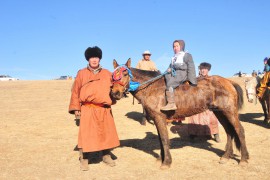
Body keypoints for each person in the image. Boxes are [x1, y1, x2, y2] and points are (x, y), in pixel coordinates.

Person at [69, 46, 120, 171]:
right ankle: (84, 158)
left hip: (104, 109)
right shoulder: (81, 73)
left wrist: (117, 94)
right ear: (88, 59)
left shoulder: (108, 73)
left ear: (99, 58)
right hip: (88, 108)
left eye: (96, 57)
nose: (94, 60)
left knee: (106, 133)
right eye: (92, 57)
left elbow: (116, 88)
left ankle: (106, 156)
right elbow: (75, 91)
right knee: (87, 135)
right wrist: (76, 108)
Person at [187, 62, 220, 142]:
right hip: (198, 102)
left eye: (205, 69)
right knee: (194, 117)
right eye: (202, 69)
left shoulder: (212, 79)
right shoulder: (196, 79)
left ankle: (216, 134)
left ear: (208, 70)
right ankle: (193, 134)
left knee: (212, 117)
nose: (203, 70)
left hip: (209, 102)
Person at [160, 39, 197, 111]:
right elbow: (170, 67)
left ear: (181, 46)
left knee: (170, 83)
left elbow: (191, 67)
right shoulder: (174, 57)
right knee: (164, 78)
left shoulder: (186, 55)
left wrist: (192, 81)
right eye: (174, 46)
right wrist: (164, 73)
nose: (175, 48)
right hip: (175, 73)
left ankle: (171, 104)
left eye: (177, 46)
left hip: (182, 73)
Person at [136, 50, 158, 125]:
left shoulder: (152, 63)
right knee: (143, 100)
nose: (147, 56)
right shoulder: (140, 62)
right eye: (146, 55)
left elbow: (155, 70)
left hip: (150, 81)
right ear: (143, 55)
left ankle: (149, 116)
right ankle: (144, 117)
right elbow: (136, 71)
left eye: (148, 55)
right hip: (142, 82)